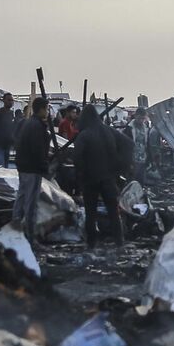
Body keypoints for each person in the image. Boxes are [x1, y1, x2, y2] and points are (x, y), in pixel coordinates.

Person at [72, 106, 124, 247]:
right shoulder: (109, 131)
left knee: (91, 212)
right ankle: (119, 241)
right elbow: (127, 144)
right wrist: (119, 169)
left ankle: (92, 243)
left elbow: (77, 157)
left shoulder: (84, 135)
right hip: (108, 178)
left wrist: (81, 174)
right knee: (113, 211)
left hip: (91, 180)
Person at [12, 97, 52, 239]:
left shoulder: (28, 124)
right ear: (41, 109)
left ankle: (15, 230)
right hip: (32, 168)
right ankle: (30, 236)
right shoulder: (37, 126)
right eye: (47, 109)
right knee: (31, 203)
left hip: (24, 167)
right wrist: (44, 167)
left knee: (21, 198)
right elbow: (38, 150)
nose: (47, 112)